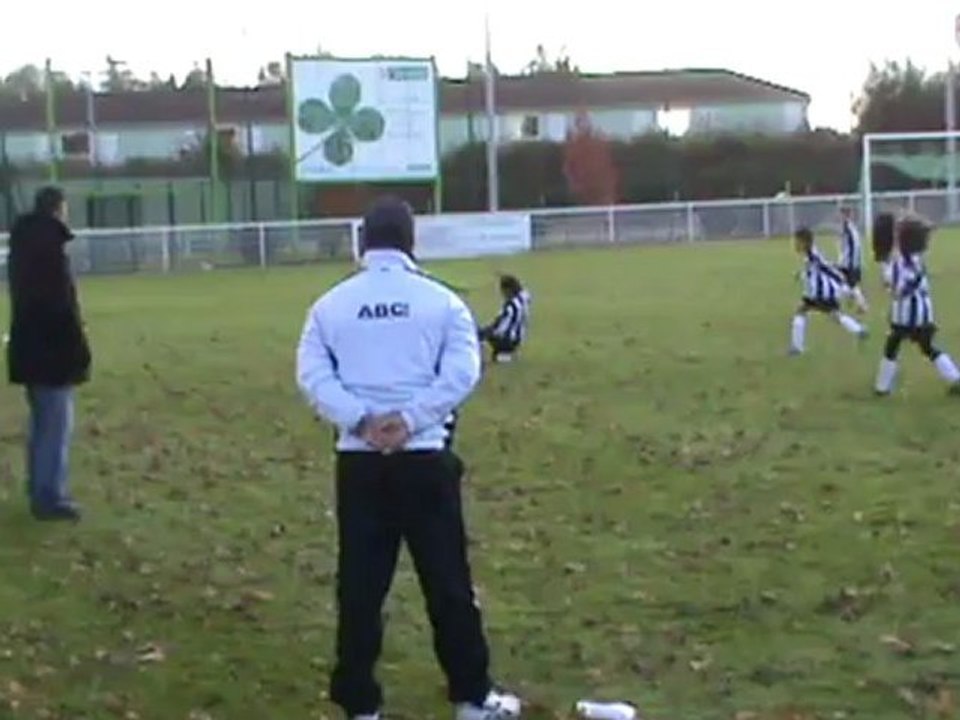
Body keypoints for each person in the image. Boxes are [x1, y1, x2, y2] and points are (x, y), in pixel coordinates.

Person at [295, 196, 520, 720]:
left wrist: (361, 420)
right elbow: (462, 374)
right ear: (411, 240)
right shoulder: (442, 303)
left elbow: (312, 375)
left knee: (360, 586)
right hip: (424, 459)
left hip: (360, 461)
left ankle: (359, 702)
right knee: (447, 580)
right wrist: (412, 419)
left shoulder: (330, 305)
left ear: (362, 241)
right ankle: (471, 694)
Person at [6, 186, 90, 521]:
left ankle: (40, 488)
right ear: (59, 209)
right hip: (51, 351)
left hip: (30, 348)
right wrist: (77, 349)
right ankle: (49, 496)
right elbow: (59, 308)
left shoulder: (25, 247)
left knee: (42, 423)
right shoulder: (50, 251)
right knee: (55, 425)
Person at [873, 214, 960, 396]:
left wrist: (889, 283)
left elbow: (898, 287)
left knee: (892, 346)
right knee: (927, 347)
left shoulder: (901, 261)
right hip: (923, 312)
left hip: (907, 314)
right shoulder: (916, 258)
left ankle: (882, 387)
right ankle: (954, 377)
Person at [789, 227, 867, 355]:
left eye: (797, 241)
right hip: (816, 293)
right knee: (834, 315)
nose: (795, 244)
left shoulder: (813, 255)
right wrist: (801, 274)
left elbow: (827, 268)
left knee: (802, 311)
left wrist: (842, 281)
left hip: (820, 294)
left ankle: (797, 348)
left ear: (804, 242)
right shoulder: (810, 255)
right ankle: (859, 330)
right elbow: (813, 271)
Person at [478, 275, 531, 363]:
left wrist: (485, 333)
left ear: (508, 290)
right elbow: (525, 292)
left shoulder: (510, 306)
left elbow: (499, 327)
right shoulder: (523, 299)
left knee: (483, 334)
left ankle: (504, 357)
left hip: (508, 340)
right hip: (518, 339)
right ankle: (505, 355)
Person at [837, 206, 868, 313]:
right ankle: (859, 303)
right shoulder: (850, 228)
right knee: (848, 284)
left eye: (842, 214)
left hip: (848, 263)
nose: (840, 217)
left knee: (848, 284)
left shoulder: (848, 228)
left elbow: (854, 246)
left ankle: (862, 304)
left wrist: (852, 262)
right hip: (849, 261)